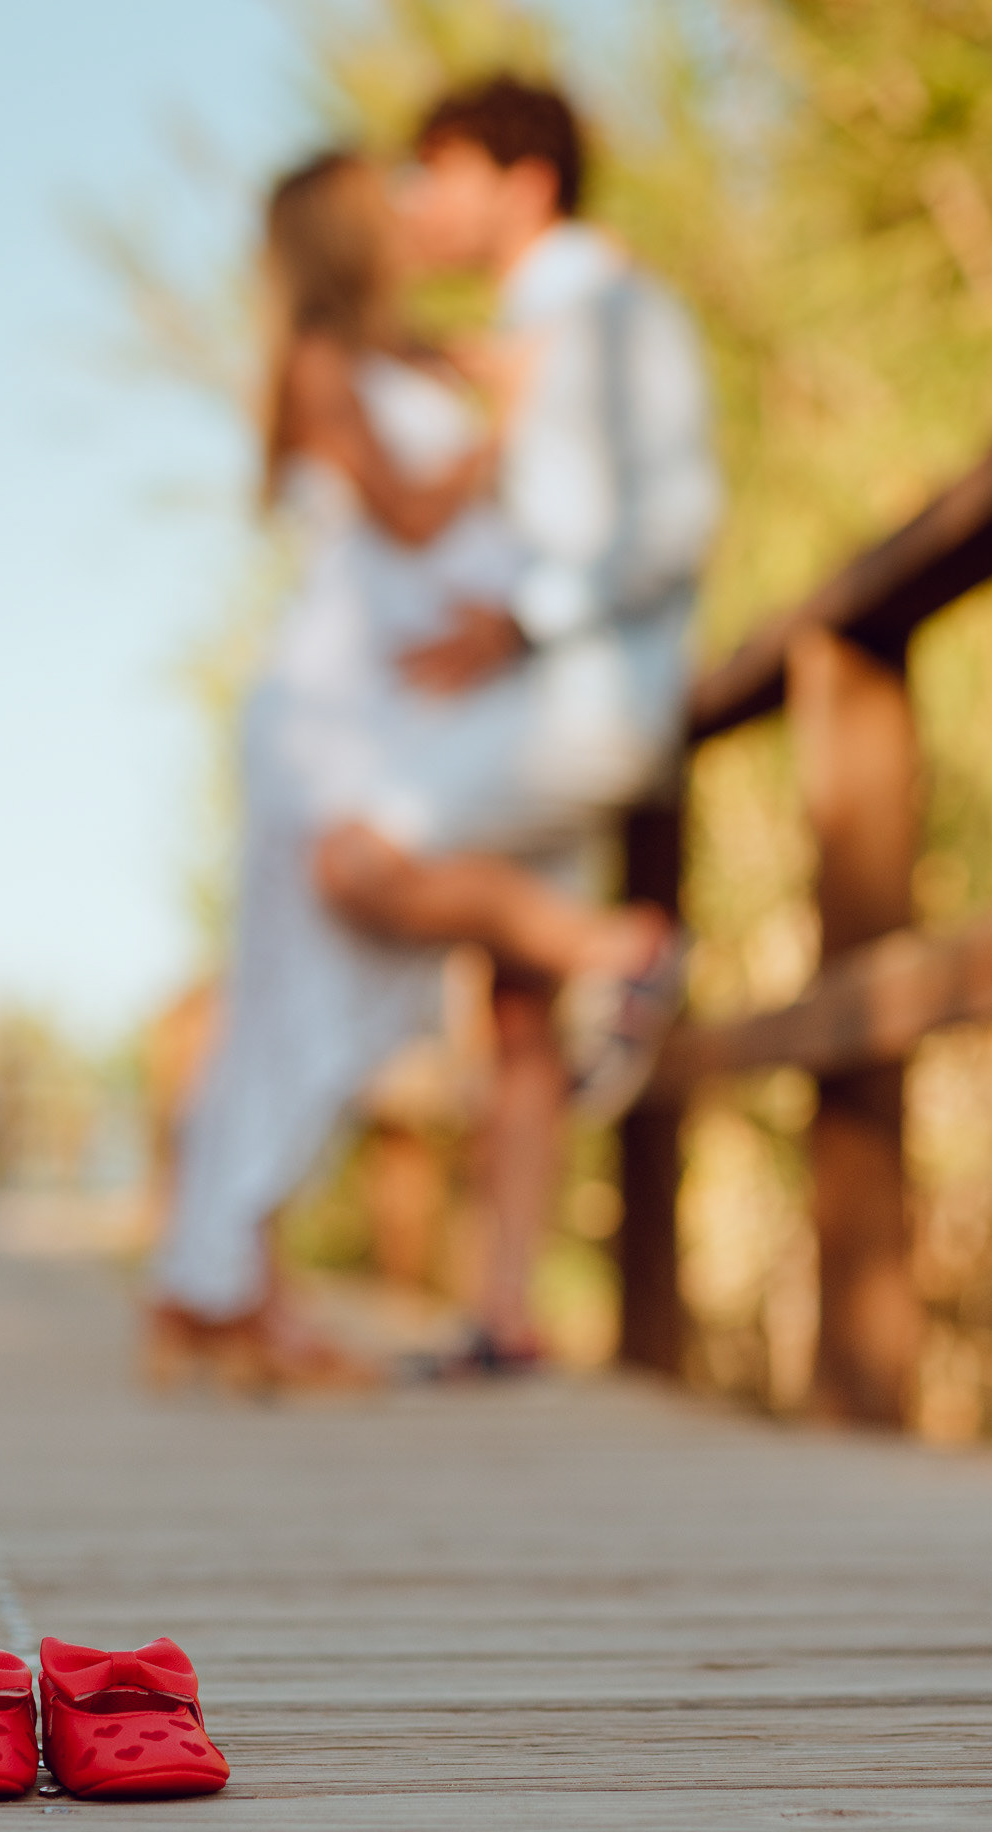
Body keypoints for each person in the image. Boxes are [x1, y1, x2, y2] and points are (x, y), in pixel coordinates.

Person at [149, 105, 715, 1384]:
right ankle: (234, 1285)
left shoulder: (557, 321)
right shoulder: (359, 356)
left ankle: (247, 1286)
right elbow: (418, 504)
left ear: (522, 182)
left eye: (436, 176)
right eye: (395, 193)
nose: (413, 205)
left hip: (487, 701)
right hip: (381, 710)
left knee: (353, 974)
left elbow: (639, 493)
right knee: (315, 975)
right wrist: (504, 427)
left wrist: (523, 601)